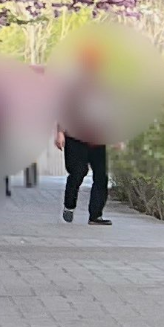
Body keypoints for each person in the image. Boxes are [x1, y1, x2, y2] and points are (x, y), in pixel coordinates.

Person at [55, 41, 118, 226]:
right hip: (75, 136)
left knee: (101, 176)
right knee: (78, 172)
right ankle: (69, 204)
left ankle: (95, 215)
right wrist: (60, 132)